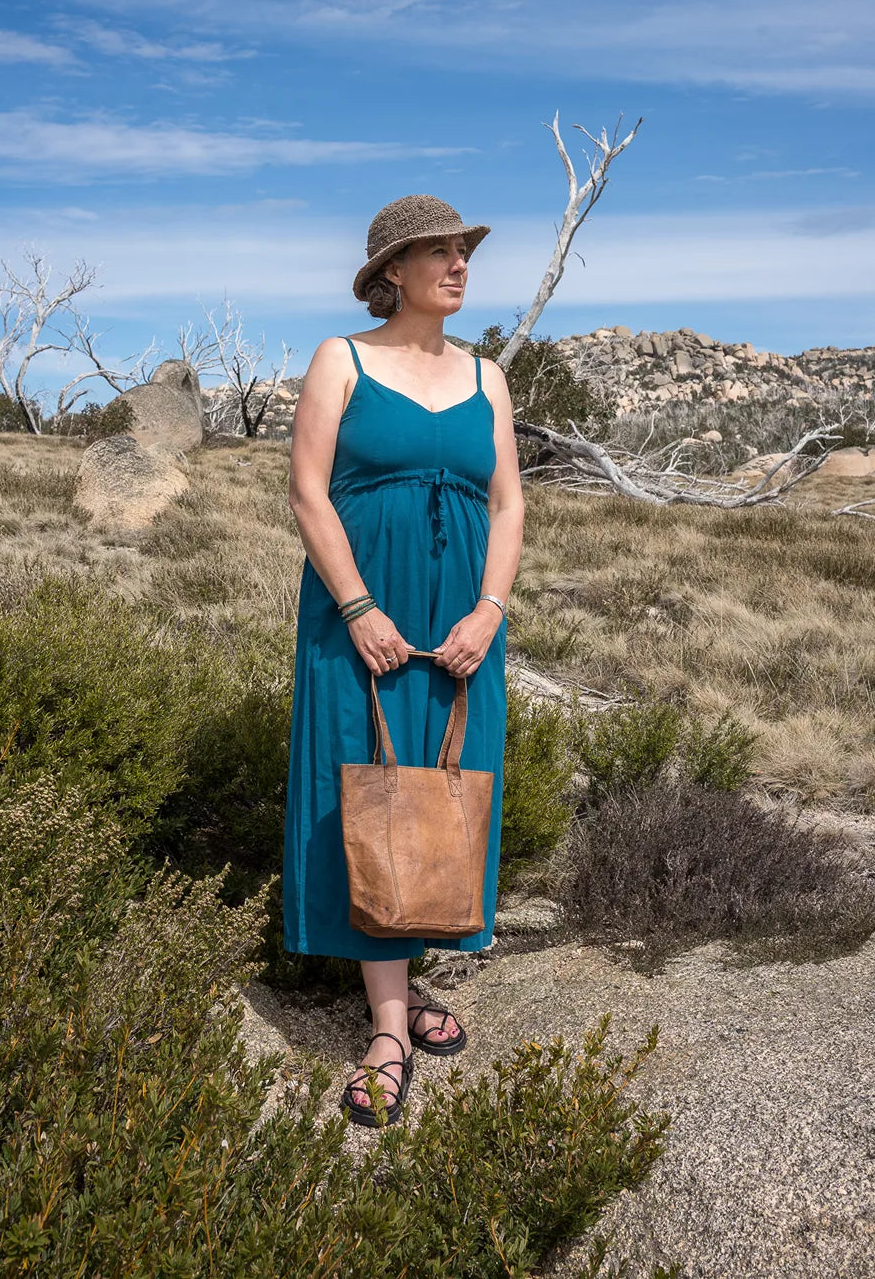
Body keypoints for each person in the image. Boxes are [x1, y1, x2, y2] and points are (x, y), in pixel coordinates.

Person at [283, 194, 524, 1127]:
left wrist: (490, 612)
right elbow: (308, 492)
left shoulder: (487, 377)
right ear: (393, 273)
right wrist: (357, 606)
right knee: (368, 786)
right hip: (361, 615)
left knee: (437, 791)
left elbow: (507, 505)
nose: (460, 264)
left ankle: (404, 982)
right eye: (440, 252)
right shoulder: (340, 360)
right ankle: (389, 1026)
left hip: (460, 621)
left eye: (464, 250)